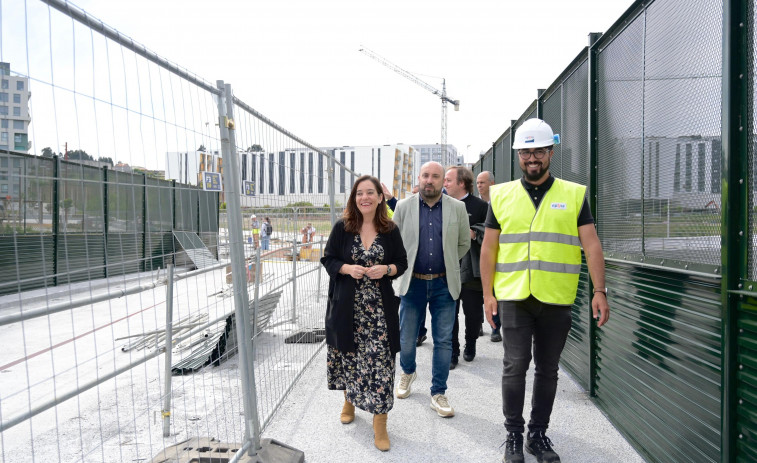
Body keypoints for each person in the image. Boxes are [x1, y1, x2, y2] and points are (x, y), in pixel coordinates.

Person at [480, 119, 610, 463]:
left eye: (538, 150)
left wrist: (600, 290)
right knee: (514, 366)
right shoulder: (502, 194)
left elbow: (592, 245)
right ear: (518, 155)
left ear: (550, 152)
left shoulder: (573, 194)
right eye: (526, 151)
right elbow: (489, 249)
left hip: (556, 297)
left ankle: (538, 435)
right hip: (514, 297)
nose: (532, 157)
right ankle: (513, 435)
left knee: (548, 369)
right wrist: (487, 295)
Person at [320, 175, 408, 452]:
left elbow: (402, 262)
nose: (365, 198)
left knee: (381, 363)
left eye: (371, 193)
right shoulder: (342, 228)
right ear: (354, 198)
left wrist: (387, 269)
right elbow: (328, 258)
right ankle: (350, 400)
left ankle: (380, 421)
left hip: (379, 311)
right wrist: (346, 268)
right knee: (350, 356)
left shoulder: (390, 229)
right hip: (348, 308)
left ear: (381, 198)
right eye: (360, 193)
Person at [392, 162, 470, 418]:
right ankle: (408, 372)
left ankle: (438, 392)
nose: (430, 180)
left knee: (444, 340)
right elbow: (394, 242)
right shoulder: (403, 207)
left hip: (443, 284)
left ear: (442, 181)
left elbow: (462, 244)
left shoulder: (457, 208)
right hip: (411, 282)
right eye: (425, 175)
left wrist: (445, 262)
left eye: (436, 176)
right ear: (419, 178)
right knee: (406, 337)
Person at [443, 166, 488, 369]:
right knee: (449, 312)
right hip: (447, 268)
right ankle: (453, 351)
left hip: (472, 271)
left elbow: (491, 232)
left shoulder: (480, 206)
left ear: (462, 183)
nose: (444, 184)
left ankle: (471, 343)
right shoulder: (442, 205)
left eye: (448, 180)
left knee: (473, 313)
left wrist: (474, 233)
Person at [382, 182, 429, 347]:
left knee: (420, 301)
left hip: (425, 266)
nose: (415, 197)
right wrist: (390, 199)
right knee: (408, 300)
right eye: (413, 194)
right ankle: (410, 333)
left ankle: (419, 332)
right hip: (407, 263)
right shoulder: (407, 209)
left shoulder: (431, 211)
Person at [476, 170, 502, 342]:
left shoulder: (500, 202)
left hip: (496, 255)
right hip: (476, 255)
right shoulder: (476, 205)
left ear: (491, 183)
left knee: (494, 292)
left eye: (482, 182)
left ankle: (495, 328)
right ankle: (478, 323)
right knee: (477, 292)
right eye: (477, 183)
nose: (479, 186)